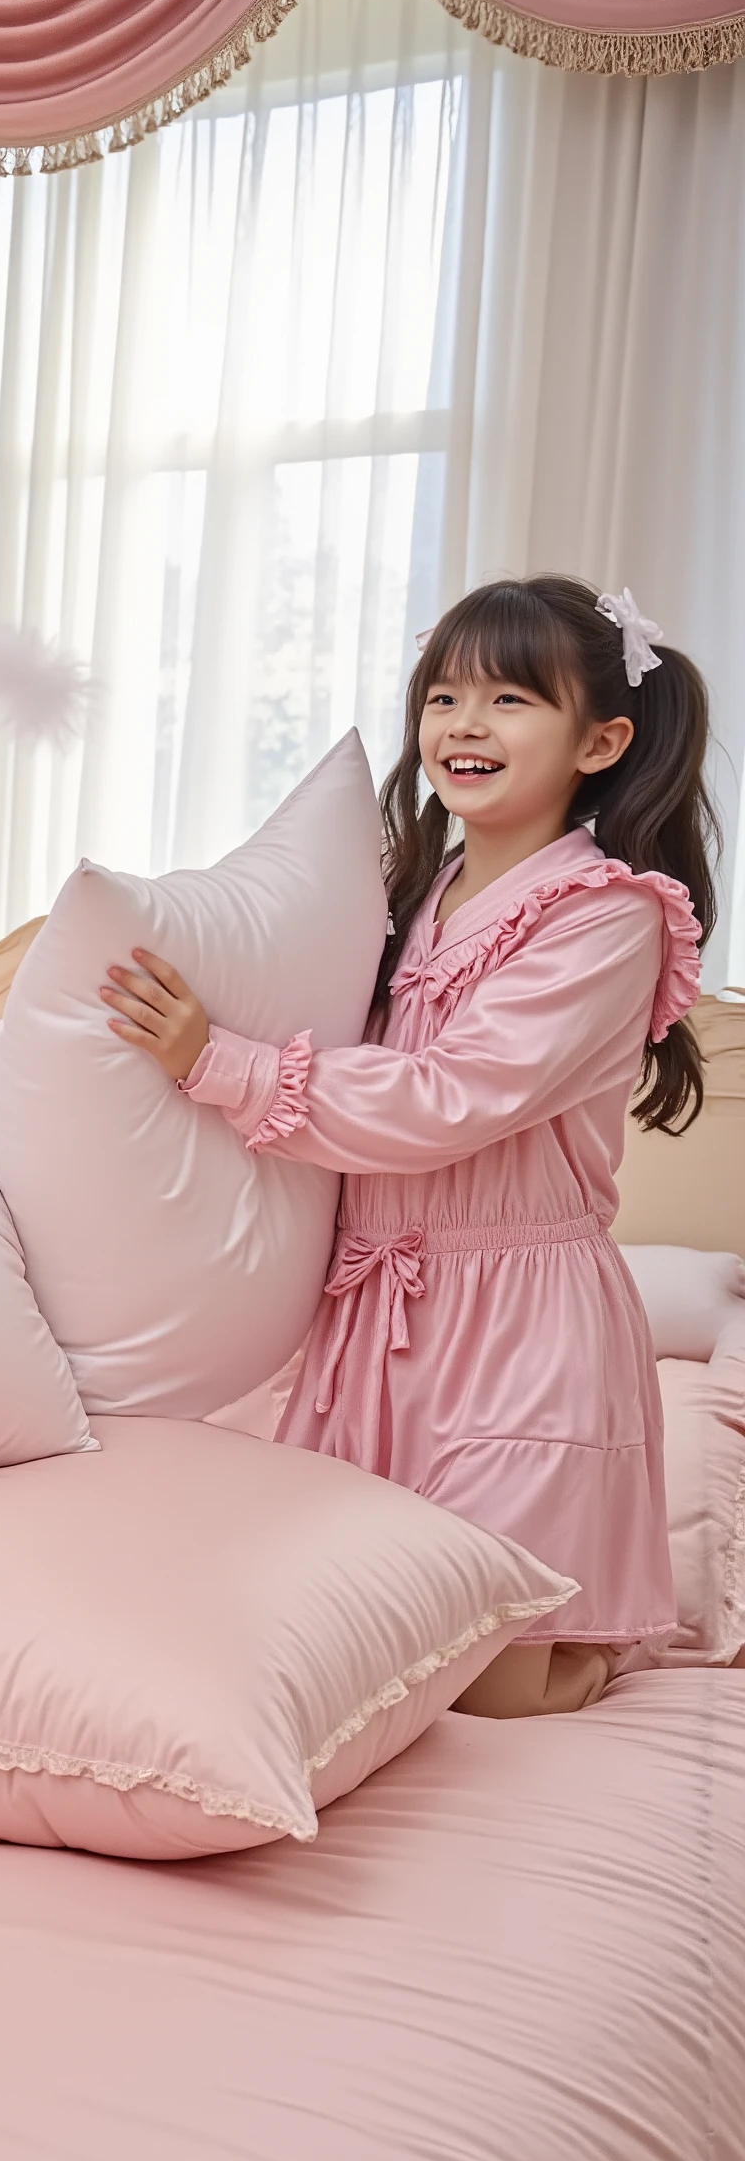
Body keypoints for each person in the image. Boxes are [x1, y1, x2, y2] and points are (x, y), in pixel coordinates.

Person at [105, 574, 713, 1718]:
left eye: (509, 701)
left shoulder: (608, 914)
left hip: (521, 1326)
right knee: (357, 1643)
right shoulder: (410, 896)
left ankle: (592, 1661)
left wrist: (222, 1063)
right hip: (376, 1321)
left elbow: (452, 1096)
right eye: (443, 697)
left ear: (604, 739)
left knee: (478, 1684)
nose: (463, 726)